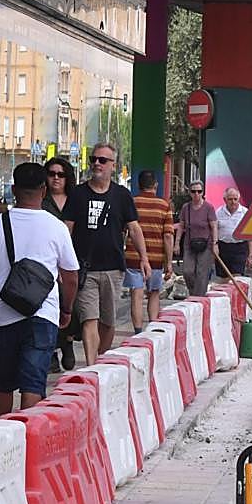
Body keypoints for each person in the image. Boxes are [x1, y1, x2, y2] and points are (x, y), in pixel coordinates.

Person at [0, 163, 79, 416]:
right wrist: (67, 309)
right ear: (44, 190)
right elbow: (71, 277)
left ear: (13, 189)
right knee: (33, 380)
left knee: (5, 378)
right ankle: (26, 433)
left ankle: (4, 429)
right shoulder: (57, 227)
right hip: (42, 315)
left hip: (1, 314)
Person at [63, 143, 150, 364]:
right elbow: (67, 228)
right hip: (85, 269)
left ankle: (101, 360)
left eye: (103, 160)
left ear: (113, 165)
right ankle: (92, 366)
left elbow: (134, 228)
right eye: (94, 159)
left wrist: (144, 258)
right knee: (89, 319)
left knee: (108, 322)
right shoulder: (78, 194)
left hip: (112, 268)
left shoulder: (122, 196)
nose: (97, 164)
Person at [125, 170, 174, 332]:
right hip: (155, 258)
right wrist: (169, 263)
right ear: (155, 185)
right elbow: (168, 236)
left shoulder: (131, 203)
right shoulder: (164, 206)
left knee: (136, 295)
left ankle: (138, 331)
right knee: (154, 293)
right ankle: (153, 328)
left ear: (138, 185)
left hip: (133, 257)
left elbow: (124, 231)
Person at [42, 156, 79, 371]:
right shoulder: (42, 202)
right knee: (50, 306)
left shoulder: (75, 199)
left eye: (61, 174)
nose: (56, 178)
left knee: (72, 304)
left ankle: (68, 341)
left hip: (73, 261)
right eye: (51, 174)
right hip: (48, 262)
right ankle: (53, 350)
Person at [174, 181, 217, 296]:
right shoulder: (186, 208)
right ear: (190, 193)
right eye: (193, 191)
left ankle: (199, 297)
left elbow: (214, 226)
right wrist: (177, 243)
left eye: (199, 191)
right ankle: (193, 293)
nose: (196, 194)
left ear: (203, 192)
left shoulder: (209, 207)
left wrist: (215, 244)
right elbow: (181, 226)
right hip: (190, 244)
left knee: (201, 273)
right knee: (187, 271)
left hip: (205, 244)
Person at [215, 186, 252, 279]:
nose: (233, 202)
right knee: (224, 278)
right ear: (224, 200)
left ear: (238, 199)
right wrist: (215, 245)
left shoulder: (245, 212)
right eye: (230, 199)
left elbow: (250, 235)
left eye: (235, 199)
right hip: (223, 247)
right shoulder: (218, 212)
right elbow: (215, 230)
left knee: (236, 278)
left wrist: (250, 255)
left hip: (239, 248)